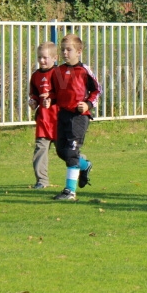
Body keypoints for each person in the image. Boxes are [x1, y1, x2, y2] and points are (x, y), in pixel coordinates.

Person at [48, 34, 102, 201]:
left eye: (68, 49)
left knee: (71, 151)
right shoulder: (58, 71)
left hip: (79, 116)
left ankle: (69, 191)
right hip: (63, 115)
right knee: (61, 151)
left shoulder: (84, 70)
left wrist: (88, 105)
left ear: (79, 51)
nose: (65, 52)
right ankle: (84, 165)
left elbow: (97, 91)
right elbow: (55, 93)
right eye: (62, 49)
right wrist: (48, 99)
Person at [27, 42, 59, 189]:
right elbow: (33, 94)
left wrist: (52, 98)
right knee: (40, 150)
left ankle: (83, 164)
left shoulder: (59, 74)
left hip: (59, 120)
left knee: (65, 152)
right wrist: (33, 101)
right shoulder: (35, 76)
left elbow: (66, 95)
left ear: (55, 58)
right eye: (40, 57)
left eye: (45, 58)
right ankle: (42, 181)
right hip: (43, 120)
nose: (42, 61)